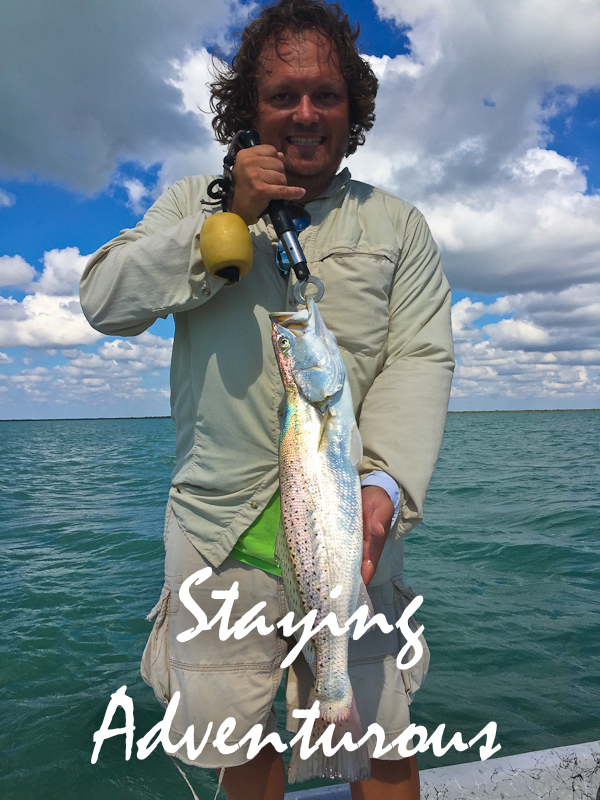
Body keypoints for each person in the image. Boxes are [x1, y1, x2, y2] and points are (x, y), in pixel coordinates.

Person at [80, 1, 454, 797]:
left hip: (354, 532)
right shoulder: (193, 203)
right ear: (249, 108)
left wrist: (386, 483)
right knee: (240, 750)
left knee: (383, 744)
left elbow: (421, 357)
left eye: (327, 94)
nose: (306, 114)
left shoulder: (396, 224)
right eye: (283, 95)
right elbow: (105, 301)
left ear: (354, 109)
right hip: (217, 536)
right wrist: (226, 217)